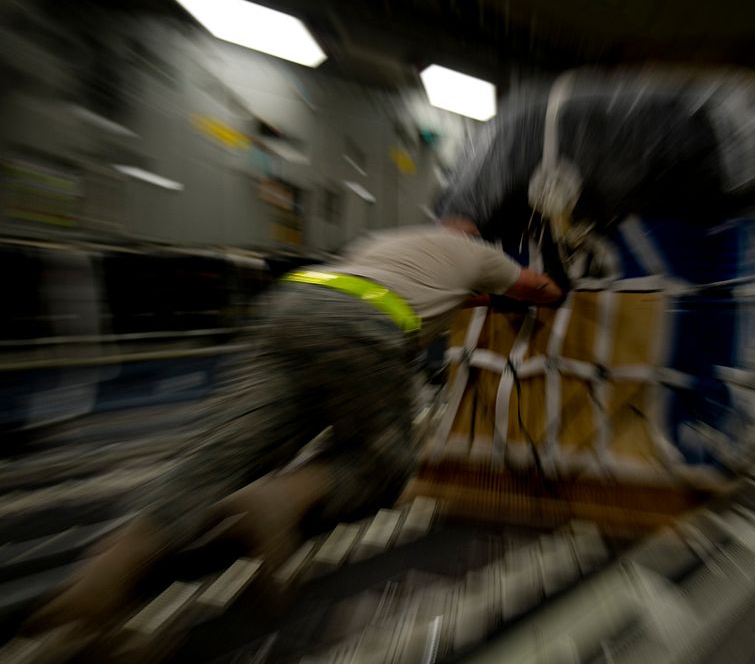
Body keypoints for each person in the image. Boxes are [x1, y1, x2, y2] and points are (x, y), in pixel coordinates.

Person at [25, 220, 563, 632]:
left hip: (291, 307)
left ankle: (108, 571)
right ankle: (283, 499)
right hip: (363, 326)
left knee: (226, 451)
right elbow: (537, 288)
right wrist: (545, 288)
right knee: (383, 461)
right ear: (470, 233)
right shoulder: (478, 253)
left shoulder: (389, 239)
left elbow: (429, 286)